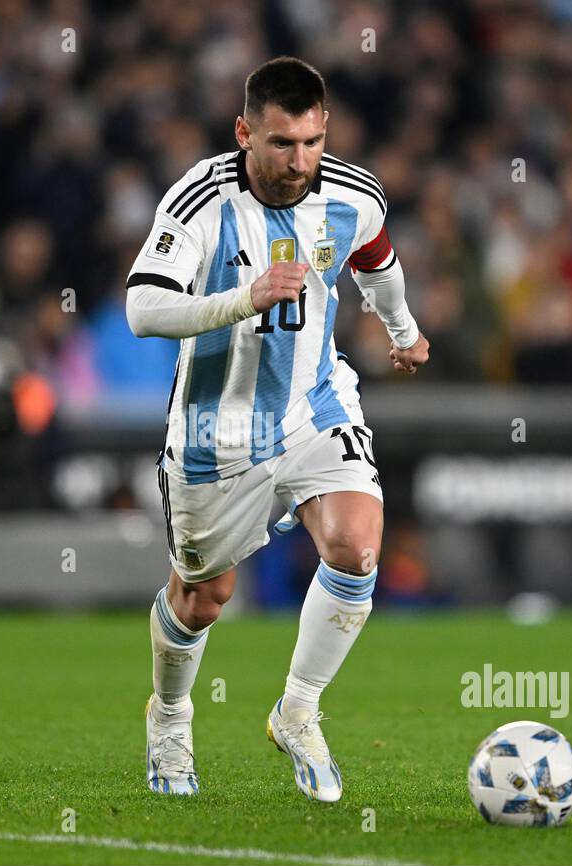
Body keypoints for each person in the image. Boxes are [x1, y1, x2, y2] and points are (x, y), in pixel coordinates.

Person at [124, 57, 429, 800]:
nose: (301, 163)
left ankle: (298, 710)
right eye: (283, 144)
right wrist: (244, 297)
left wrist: (402, 328)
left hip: (314, 402)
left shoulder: (352, 194)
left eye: (314, 143)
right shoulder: (200, 199)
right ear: (244, 132)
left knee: (357, 547)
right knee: (204, 597)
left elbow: (376, 257)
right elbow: (143, 309)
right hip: (214, 427)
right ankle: (169, 715)